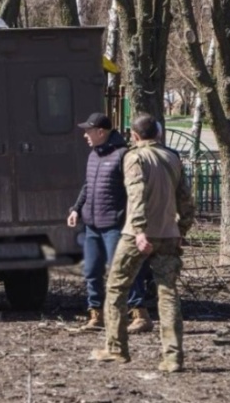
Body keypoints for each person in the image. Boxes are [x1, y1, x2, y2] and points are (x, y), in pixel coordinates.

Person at [92, 114, 195, 373]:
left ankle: (116, 348)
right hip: (168, 234)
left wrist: (139, 230)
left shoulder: (134, 157)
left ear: (134, 136)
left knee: (116, 287)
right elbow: (186, 199)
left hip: (137, 235)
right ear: (158, 134)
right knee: (168, 293)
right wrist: (182, 229)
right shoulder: (172, 157)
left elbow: (136, 192)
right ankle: (173, 357)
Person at [67, 112, 151, 333]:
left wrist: (132, 220)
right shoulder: (93, 155)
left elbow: (134, 190)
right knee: (91, 270)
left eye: (88, 131)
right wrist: (76, 209)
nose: (85, 135)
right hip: (92, 225)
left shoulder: (123, 155)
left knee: (122, 269)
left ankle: (139, 313)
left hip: (115, 225)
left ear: (101, 132)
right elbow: (88, 186)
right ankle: (96, 314)